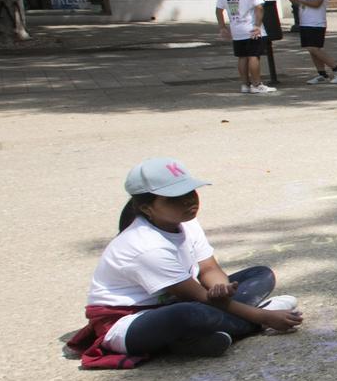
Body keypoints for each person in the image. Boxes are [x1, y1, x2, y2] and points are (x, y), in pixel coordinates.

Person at [66, 158, 302, 369]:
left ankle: (190, 340)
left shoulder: (186, 222)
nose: (189, 201)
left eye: (191, 192)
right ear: (147, 207)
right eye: (175, 198)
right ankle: (256, 319)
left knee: (261, 274)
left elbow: (209, 268)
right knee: (189, 314)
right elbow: (198, 298)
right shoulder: (146, 246)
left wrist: (222, 288)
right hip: (130, 323)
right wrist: (264, 319)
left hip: (187, 300)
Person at [215, 0, 275, 95]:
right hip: (251, 29)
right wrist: (257, 25)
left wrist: (222, 27)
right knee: (254, 56)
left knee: (242, 57)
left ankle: (245, 85)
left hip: (237, 30)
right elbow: (259, 8)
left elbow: (219, 10)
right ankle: (257, 84)